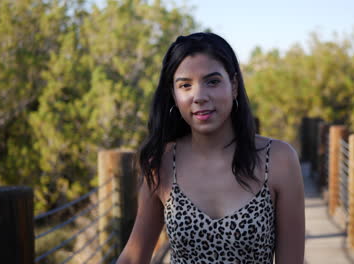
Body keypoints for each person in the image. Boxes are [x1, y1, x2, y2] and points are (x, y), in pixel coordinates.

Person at [117, 32, 305, 264]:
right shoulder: (162, 162)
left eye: (212, 82)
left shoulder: (279, 159)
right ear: (174, 95)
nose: (199, 96)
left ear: (234, 85)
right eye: (185, 85)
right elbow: (134, 257)